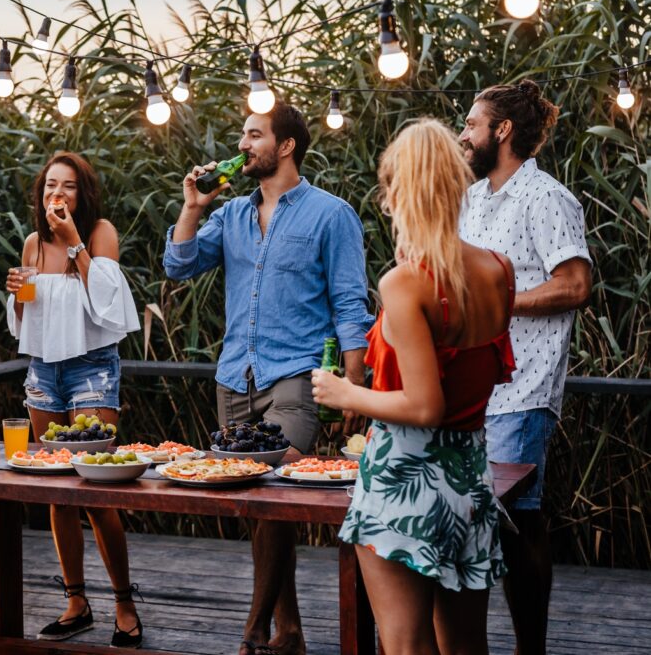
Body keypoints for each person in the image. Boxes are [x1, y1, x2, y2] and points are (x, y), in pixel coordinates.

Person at [165, 104, 371, 655]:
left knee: (276, 494)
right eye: (243, 135)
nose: (243, 144)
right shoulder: (230, 215)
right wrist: (191, 207)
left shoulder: (331, 215)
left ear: (285, 147)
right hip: (235, 378)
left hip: (296, 378)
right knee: (258, 505)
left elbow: (351, 305)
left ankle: (254, 629)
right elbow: (178, 264)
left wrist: (354, 386)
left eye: (254, 135)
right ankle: (292, 631)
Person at [312, 118, 517, 654]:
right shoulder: (499, 269)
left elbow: (426, 405)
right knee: (468, 646)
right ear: (457, 184)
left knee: (405, 647)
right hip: (471, 478)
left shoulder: (405, 283)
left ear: (398, 189)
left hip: (406, 478)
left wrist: (344, 394)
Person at [457, 79, 591, 655]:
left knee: (517, 525)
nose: (463, 135)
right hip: (469, 390)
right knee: (480, 523)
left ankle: (529, 650)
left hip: (523, 389)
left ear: (502, 131)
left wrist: (500, 301)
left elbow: (576, 284)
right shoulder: (472, 199)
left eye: (471, 124)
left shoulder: (547, 198)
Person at [5, 152, 143, 647]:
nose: (55, 196)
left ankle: (125, 604)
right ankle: (76, 601)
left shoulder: (99, 232)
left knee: (97, 488)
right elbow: (26, 321)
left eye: (66, 187)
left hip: (91, 367)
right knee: (56, 490)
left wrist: (74, 245)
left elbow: (109, 303)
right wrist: (16, 291)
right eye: (48, 187)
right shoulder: (31, 243)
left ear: (82, 194)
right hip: (43, 369)